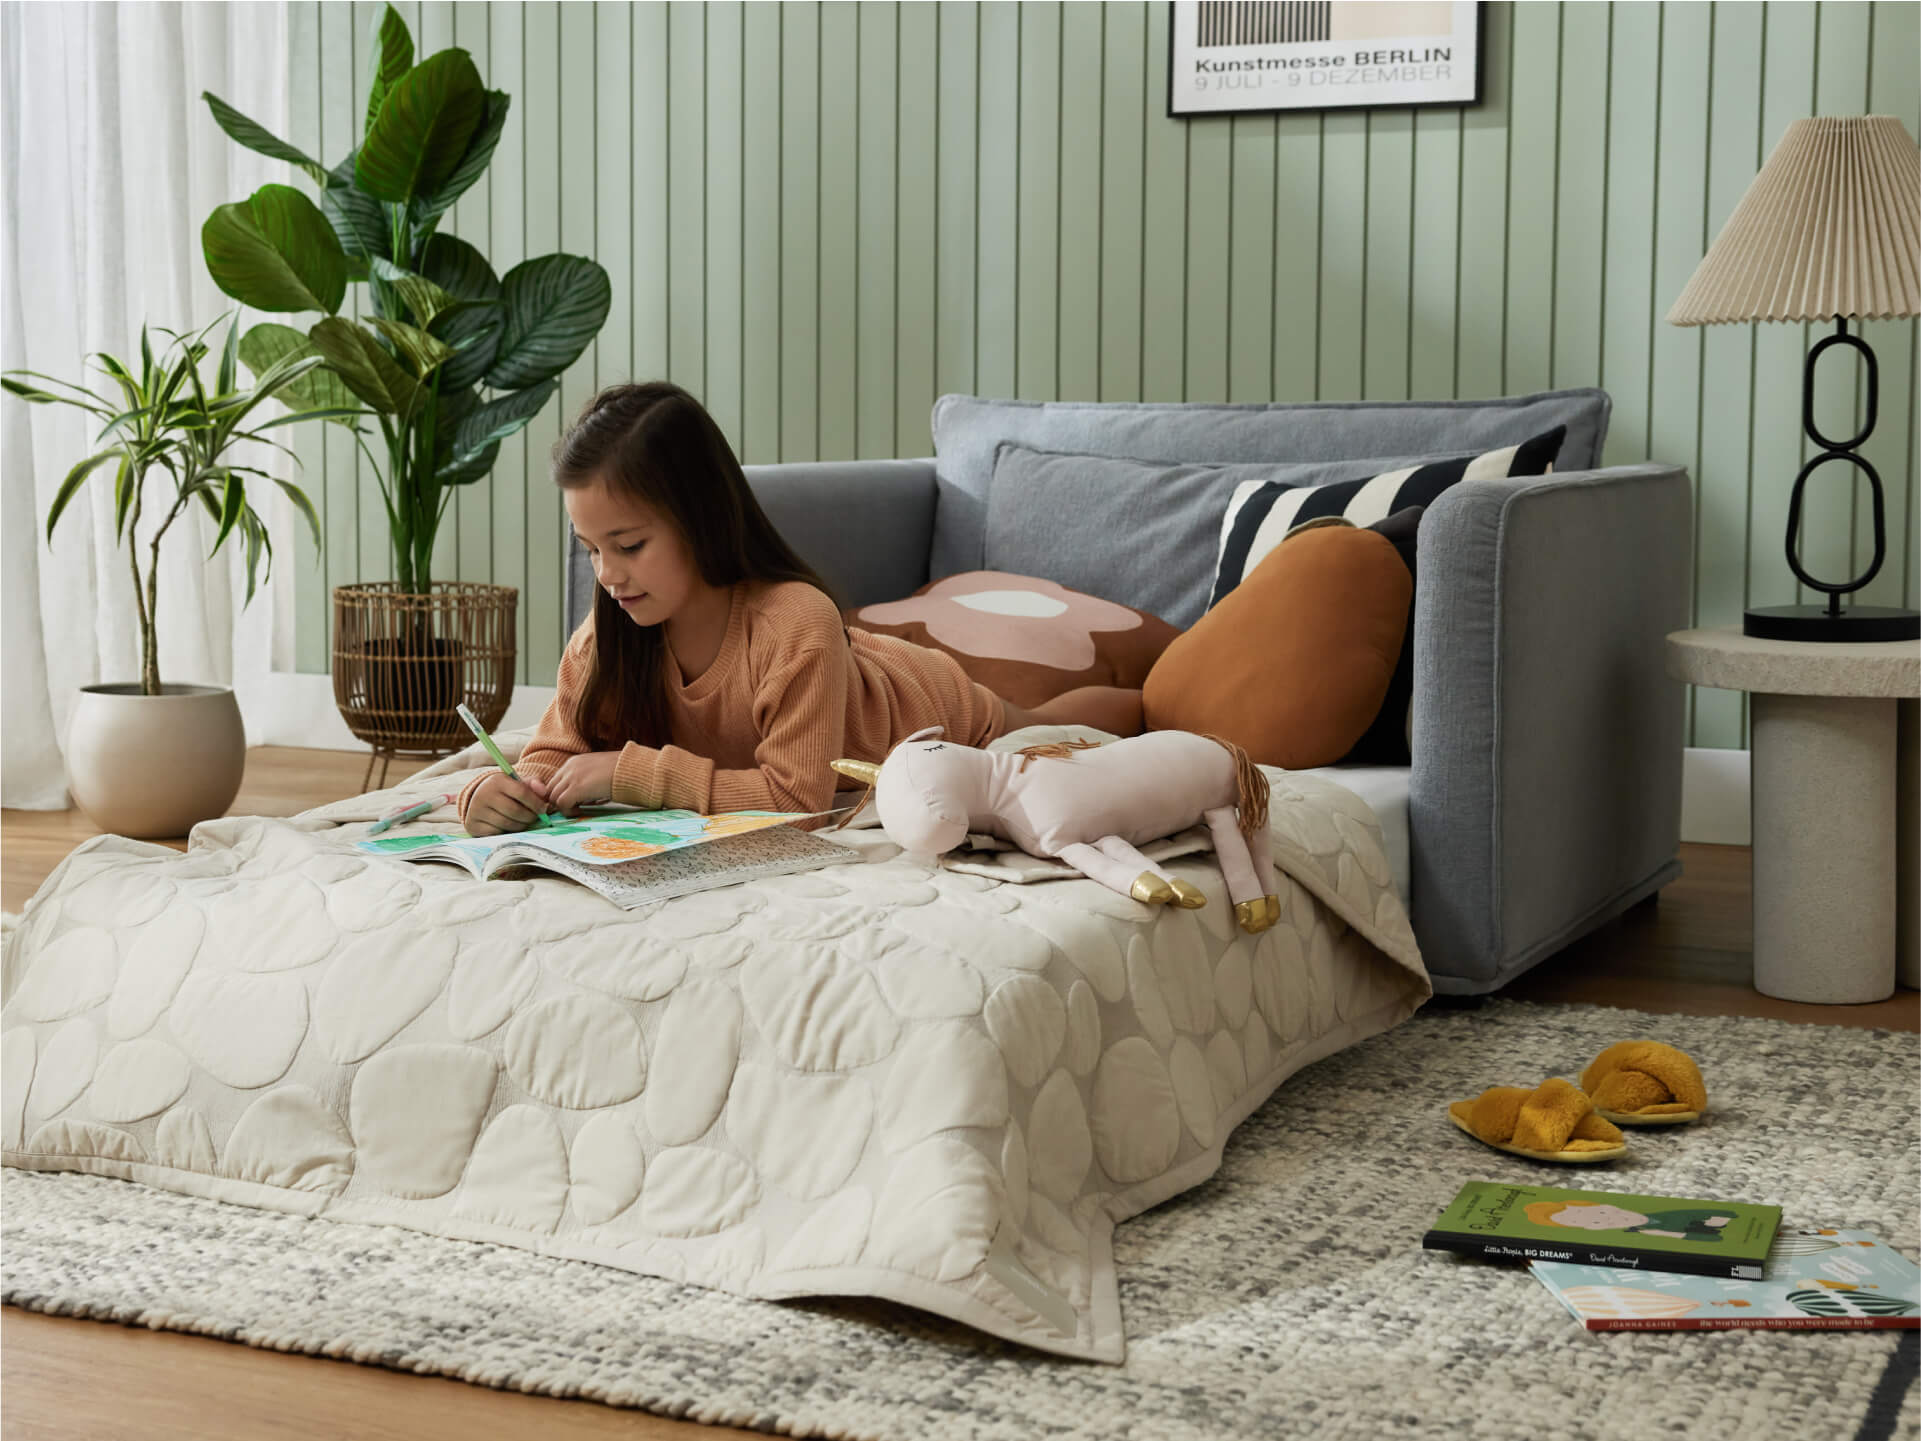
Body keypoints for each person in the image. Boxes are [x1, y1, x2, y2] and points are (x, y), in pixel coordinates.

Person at [460, 381, 1145, 836]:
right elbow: (550, 758)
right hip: (847, 682)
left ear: (699, 518)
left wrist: (631, 773)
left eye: (629, 545)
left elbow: (801, 799)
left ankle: (1155, 695)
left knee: (1066, 730)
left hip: (923, 709)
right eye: (589, 549)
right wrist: (495, 792)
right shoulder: (603, 642)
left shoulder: (793, 623)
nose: (608, 574)